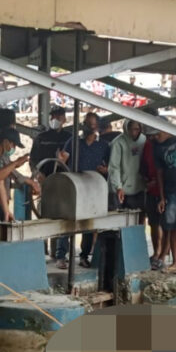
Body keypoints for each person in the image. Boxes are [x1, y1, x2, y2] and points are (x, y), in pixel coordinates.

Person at [56, 111, 111, 268]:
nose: (88, 128)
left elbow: (109, 166)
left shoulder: (104, 145)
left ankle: (84, 255)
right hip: (73, 185)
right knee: (67, 221)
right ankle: (61, 256)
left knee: (88, 223)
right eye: (86, 124)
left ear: (97, 127)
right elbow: (63, 159)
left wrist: (105, 170)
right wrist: (61, 159)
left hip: (92, 187)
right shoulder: (73, 141)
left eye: (92, 125)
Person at [140, 124, 176, 271]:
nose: (154, 138)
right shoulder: (155, 147)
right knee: (171, 227)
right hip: (170, 191)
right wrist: (162, 197)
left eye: (156, 134)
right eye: (151, 136)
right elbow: (159, 173)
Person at [109, 119, 145, 212]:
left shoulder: (144, 140)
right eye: (131, 129)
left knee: (136, 219)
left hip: (138, 187)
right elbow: (114, 167)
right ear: (126, 128)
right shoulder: (117, 142)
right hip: (120, 188)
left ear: (140, 129)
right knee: (118, 219)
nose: (133, 132)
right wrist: (118, 186)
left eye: (136, 129)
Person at [29, 105, 70, 178]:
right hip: (44, 177)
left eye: (58, 117)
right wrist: (37, 174)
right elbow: (33, 159)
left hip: (65, 178)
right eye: (52, 117)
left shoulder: (69, 138)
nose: (54, 119)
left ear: (64, 120)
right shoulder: (41, 138)